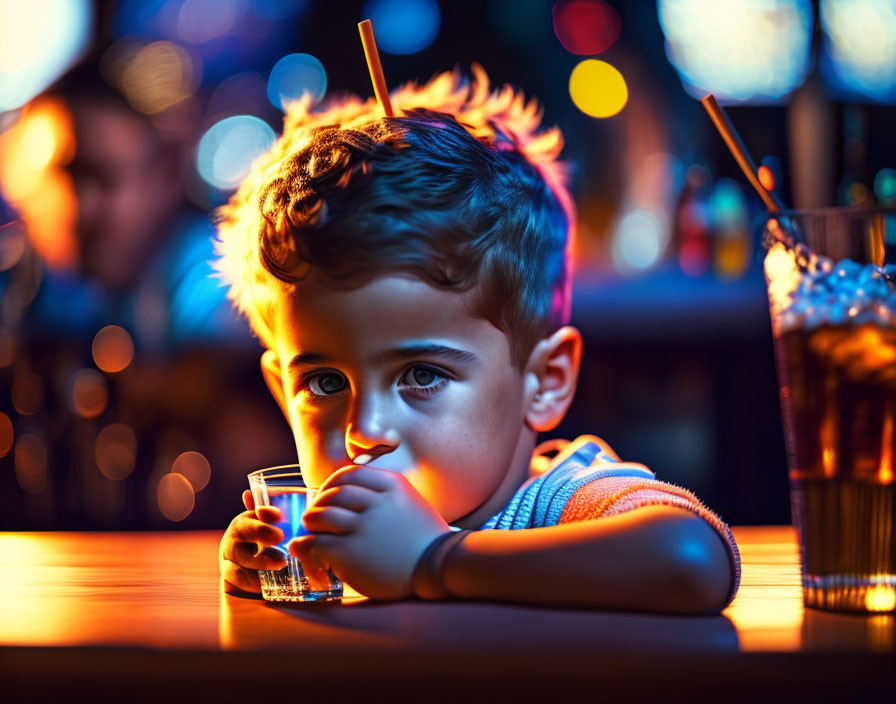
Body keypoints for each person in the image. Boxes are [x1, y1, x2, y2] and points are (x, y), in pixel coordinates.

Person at [215, 67, 740, 612]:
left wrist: (433, 560)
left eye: (421, 375)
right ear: (282, 391)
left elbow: (691, 559)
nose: (363, 432)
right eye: (324, 382)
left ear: (544, 381)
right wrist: (265, 564)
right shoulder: (343, 539)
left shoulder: (563, 500)